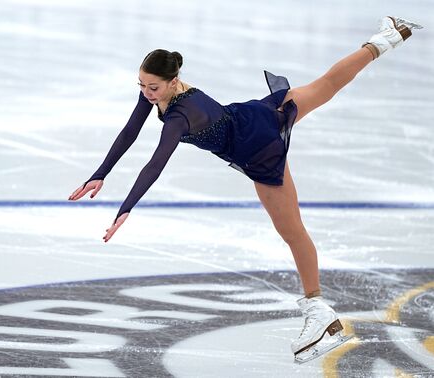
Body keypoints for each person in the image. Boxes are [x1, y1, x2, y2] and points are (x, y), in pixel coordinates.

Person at [69, 16, 422, 362]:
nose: (146, 94)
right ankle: (391, 36)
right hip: (254, 116)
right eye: (141, 86)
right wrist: (99, 174)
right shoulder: (160, 94)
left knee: (292, 231)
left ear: (174, 81)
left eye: (153, 87)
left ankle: (320, 313)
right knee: (327, 84)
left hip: (257, 149)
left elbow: (156, 162)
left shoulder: (179, 115)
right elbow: (130, 132)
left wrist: (126, 207)